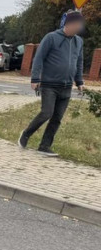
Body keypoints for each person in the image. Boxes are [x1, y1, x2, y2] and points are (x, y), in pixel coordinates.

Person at [20, 10, 86, 156]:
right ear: (68, 24)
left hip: (66, 86)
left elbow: (79, 62)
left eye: (79, 26)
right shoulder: (51, 37)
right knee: (46, 113)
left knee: (57, 118)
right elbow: (39, 58)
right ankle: (26, 134)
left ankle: (44, 146)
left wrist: (79, 81)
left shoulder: (78, 42)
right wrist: (35, 78)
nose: (78, 28)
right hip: (49, 84)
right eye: (76, 25)